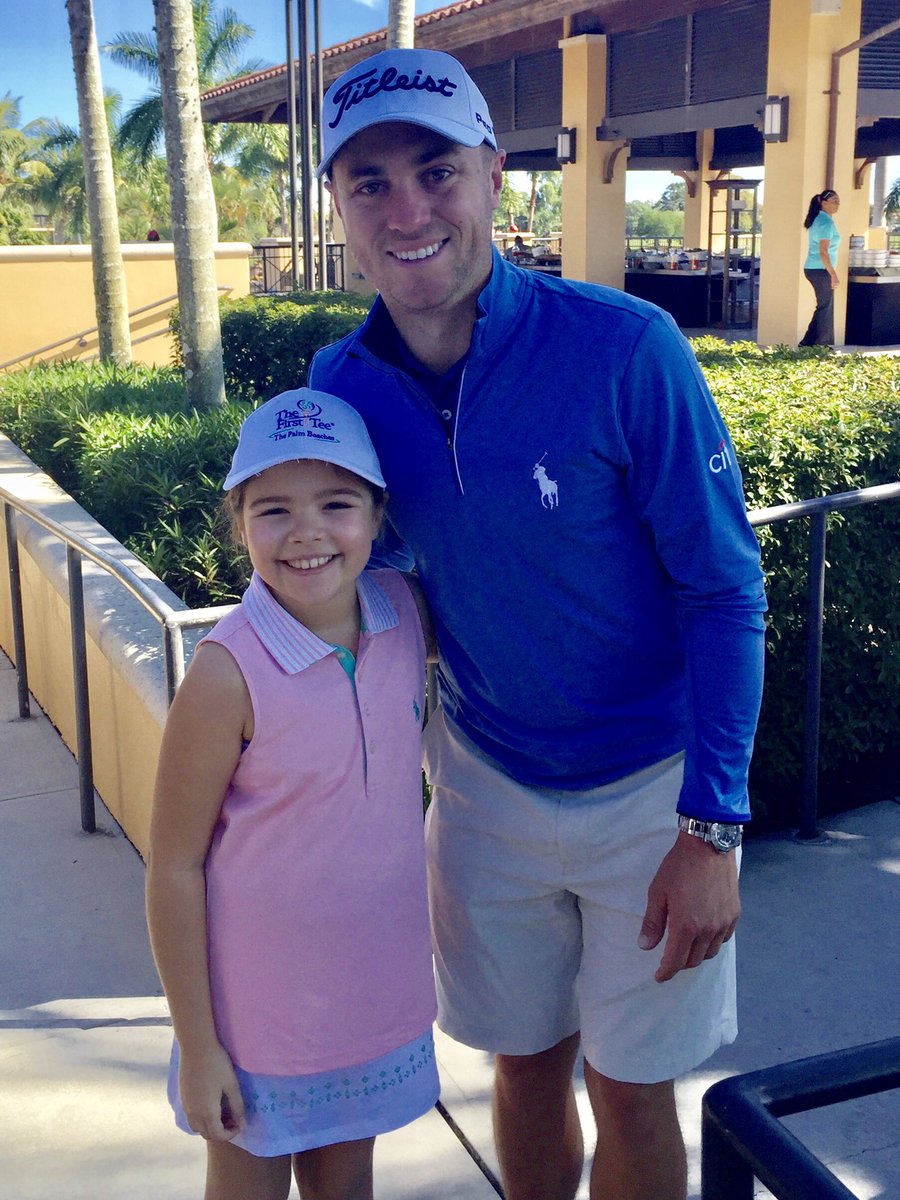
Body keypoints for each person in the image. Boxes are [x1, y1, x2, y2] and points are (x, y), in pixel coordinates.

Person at [310, 48, 766, 1200]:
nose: (409, 211)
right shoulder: (341, 386)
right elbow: (346, 590)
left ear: (494, 178)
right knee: (522, 1068)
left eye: (436, 171)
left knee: (630, 1090)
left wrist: (711, 830)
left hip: (651, 798)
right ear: (338, 208)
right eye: (370, 183)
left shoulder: (625, 348)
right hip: (482, 788)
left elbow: (724, 587)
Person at [146, 388, 439, 1200]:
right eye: (273, 509)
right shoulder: (224, 672)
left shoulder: (405, 615)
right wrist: (199, 1046)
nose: (307, 532)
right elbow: (173, 867)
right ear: (238, 522)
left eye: (336, 503)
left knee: (346, 1187)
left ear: (378, 517)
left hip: (369, 1003)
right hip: (255, 1030)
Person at [799, 189, 841, 347]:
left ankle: (808, 342)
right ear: (823, 204)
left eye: (838, 201)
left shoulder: (819, 220)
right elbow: (823, 251)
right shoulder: (825, 223)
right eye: (834, 201)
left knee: (824, 306)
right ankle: (822, 345)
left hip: (815, 269)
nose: (838, 204)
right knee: (826, 307)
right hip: (820, 270)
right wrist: (833, 274)